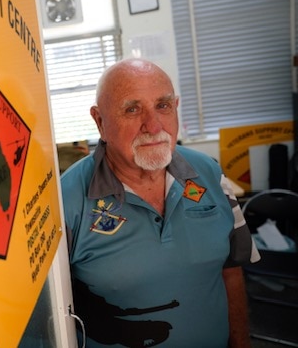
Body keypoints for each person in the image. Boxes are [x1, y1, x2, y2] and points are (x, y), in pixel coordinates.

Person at [60, 58, 260, 348]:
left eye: (163, 106)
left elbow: (230, 270)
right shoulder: (67, 199)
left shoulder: (210, 174)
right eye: (132, 109)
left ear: (176, 108)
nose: (153, 126)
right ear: (100, 121)